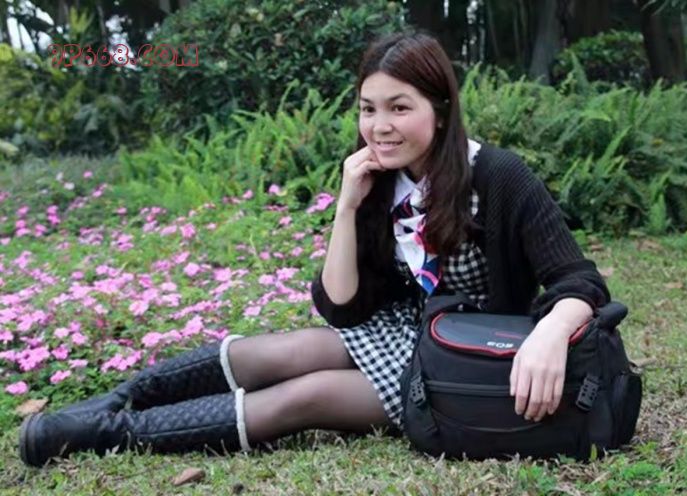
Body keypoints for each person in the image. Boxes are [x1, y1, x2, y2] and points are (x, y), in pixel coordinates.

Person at [19, 31, 609, 467]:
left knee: (305, 397)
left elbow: (578, 281)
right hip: (402, 330)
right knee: (280, 352)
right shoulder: (378, 177)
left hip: (464, 360)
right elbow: (343, 307)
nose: (380, 126)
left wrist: (550, 333)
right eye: (368, 109)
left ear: (441, 108)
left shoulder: (499, 177)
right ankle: (115, 400)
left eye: (400, 107)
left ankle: (106, 435)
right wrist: (347, 208)